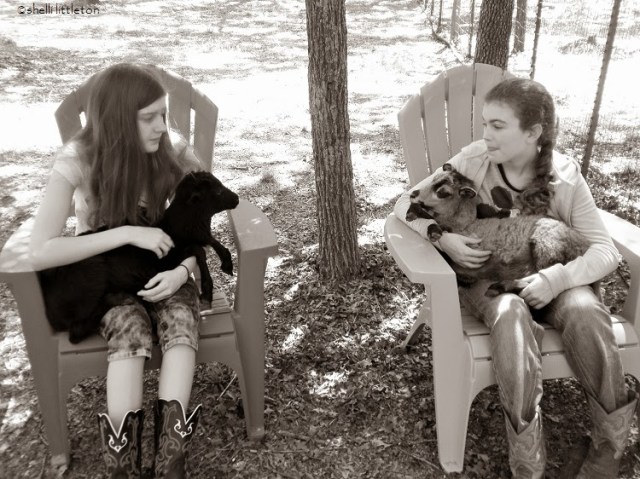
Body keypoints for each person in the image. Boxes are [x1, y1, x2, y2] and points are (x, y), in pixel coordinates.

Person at [394, 77, 637, 478]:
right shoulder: (474, 161)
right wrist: (443, 238)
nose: (486, 134)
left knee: (586, 312)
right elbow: (408, 202)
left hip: (552, 278)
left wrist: (556, 281)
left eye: (497, 125)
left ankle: (608, 449)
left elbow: (604, 251)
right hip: (488, 281)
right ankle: (527, 465)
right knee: (511, 318)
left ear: (533, 132)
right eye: (484, 123)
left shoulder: (564, 177)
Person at [30, 63, 204, 478]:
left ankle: (171, 461)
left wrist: (183, 272)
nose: (162, 126)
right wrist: (126, 233)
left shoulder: (173, 152)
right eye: (149, 117)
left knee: (181, 319)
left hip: (167, 270)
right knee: (129, 328)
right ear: (119, 121)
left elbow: (198, 226)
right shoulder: (79, 159)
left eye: (164, 114)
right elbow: (40, 251)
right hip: (107, 277)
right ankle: (121, 467)